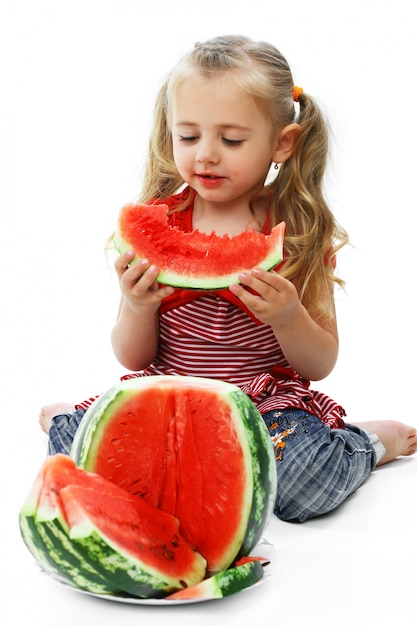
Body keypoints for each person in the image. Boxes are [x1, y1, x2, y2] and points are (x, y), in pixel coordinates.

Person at [39, 35, 417, 523]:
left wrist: (288, 316)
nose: (206, 156)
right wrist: (136, 307)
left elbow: (321, 362)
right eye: (189, 137)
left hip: (262, 409)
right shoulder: (159, 222)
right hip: (169, 400)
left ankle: (364, 442)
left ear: (282, 142)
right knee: (73, 452)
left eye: (232, 140)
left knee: (305, 487)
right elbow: (133, 357)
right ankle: (79, 420)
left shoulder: (297, 235)